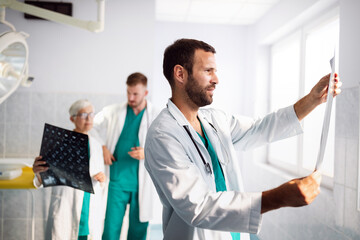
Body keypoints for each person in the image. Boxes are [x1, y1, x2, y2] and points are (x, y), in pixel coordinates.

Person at [144, 38, 342, 240]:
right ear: (180, 74)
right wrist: (277, 197)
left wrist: (312, 99)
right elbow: (198, 206)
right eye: (208, 71)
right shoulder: (163, 135)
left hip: (232, 234)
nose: (216, 79)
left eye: (215, 71)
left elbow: (260, 128)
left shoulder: (214, 119)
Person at [90, 72, 159, 240]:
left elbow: (168, 147)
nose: (131, 97)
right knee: (111, 230)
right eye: (128, 92)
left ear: (145, 93)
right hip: (117, 181)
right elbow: (90, 127)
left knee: (138, 232)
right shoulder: (113, 112)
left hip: (141, 184)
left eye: (135, 93)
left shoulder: (157, 115)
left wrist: (147, 152)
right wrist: (103, 147)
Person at [32, 99, 108, 240]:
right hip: (65, 207)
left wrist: (102, 179)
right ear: (72, 118)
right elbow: (44, 178)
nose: (89, 118)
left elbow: (100, 178)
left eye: (91, 114)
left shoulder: (97, 146)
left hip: (89, 208)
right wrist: (38, 172)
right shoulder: (58, 144)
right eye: (84, 114)